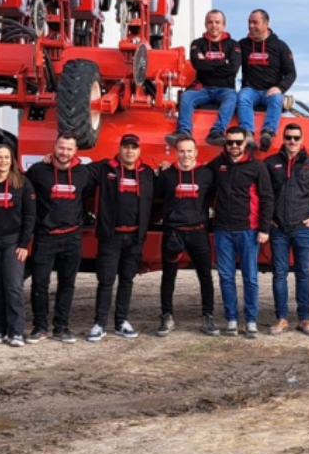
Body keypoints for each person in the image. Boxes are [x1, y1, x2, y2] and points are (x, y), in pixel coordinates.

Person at [85, 133, 154, 342]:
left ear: (139, 150)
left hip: (134, 238)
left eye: (133, 147)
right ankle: (99, 324)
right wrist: (49, 158)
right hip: (110, 237)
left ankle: (122, 322)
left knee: (127, 280)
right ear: (120, 148)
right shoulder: (104, 169)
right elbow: (78, 170)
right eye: (126, 147)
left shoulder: (147, 173)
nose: (130, 151)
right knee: (106, 281)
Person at [264, 122, 309, 337]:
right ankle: (282, 318)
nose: (292, 141)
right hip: (278, 229)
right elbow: (262, 194)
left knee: (303, 274)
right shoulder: (270, 163)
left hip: (303, 229)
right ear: (282, 140)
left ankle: (304, 319)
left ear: (302, 141)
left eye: (296, 138)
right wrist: (268, 220)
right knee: (280, 274)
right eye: (288, 137)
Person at [26, 132, 93, 343]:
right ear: (54, 147)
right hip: (45, 237)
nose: (64, 152)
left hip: (72, 237)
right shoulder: (38, 170)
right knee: (39, 283)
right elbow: (23, 192)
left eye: (69, 149)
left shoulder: (84, 173)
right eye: (61, 148)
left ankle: (62, 327)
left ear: (76, 151)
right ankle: (39, 327)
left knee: (67, 284)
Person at [207, 126, 274, 338]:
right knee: (226, 277)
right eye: (230, 142)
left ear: (246, 143)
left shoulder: (257, 167)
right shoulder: (217, 165)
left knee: (250, 277)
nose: (234, 146)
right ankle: (232, 320)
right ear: (225, 143)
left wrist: (264, 228)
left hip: (248, 230)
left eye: (238, 142)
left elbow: (266, 198)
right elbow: (202, 183)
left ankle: (251, 321)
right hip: (222, 230)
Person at [155, 134, 216, 336]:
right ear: (176, 152)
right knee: (169, 276)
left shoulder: (207, 174)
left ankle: (208, 317)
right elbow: (154, 196)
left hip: (198, 231)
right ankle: (166, 316)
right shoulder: (167, 175)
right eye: (182, 151)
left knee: (205, 276)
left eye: (189, 151)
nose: (186, 155)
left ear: (196, 152)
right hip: (173, 232)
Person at [0, 144, 36, 348]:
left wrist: (24, 243)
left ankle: (16, 332)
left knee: (13, 287)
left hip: (13, 243)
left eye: (6, 157)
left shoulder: (22, 184)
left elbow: (30, 216)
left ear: (12, 160)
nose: (2, 161)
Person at [166, 9, 241, 147]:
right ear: (205, 24)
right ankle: (183, 132)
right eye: (210, 22)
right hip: (203, 88)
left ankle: (217, 133)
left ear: (224, 25)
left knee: (232, 98)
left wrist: (208, 63)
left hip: (225, 89)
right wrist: (223, 62)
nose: (214, 25)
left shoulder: (233, 45)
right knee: (187, 97)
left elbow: (233, 69)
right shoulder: (197, 43)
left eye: (217, 22)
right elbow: (199, 65)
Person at [236, 9, 296, 152]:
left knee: (277, 99)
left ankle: (268, 133)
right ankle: (248, 134)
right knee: (242, 98)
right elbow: (230, 66)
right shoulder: (242, 45)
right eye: (249, 22)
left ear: (266, 23)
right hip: (250, 90)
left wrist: (280, 88)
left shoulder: (280, 46)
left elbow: (291, 73)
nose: (251, 26)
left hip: (271, 90)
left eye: (255, 22)